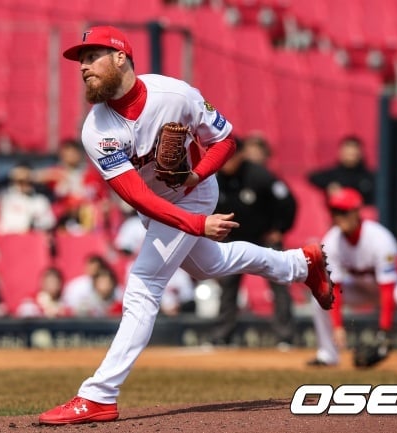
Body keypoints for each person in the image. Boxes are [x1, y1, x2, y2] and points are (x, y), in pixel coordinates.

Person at [38, 25, 333, 425]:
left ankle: (99, 395)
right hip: (157, 205)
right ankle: (301, 264)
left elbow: (226, 141)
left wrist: (196, 177)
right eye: (81, 61)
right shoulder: (96, 129)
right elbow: (137, 197)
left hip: (194, 193)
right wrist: (196, 225)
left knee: (144, 284)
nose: (83, 67)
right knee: (212, 264)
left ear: (121, 57)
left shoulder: (175, 95)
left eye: (92, 57)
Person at [308, 188, 397, 368]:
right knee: (319, 297)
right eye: (334, 212)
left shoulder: (379, 238)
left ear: (357, 212)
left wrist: (384, 331)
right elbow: (334, 287)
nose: (339, 217)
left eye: (343, 212)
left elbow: (387, 289)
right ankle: (328, 354)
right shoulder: (331, 242)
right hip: (363, 286)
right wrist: (338, 326)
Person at [210, 133, 297, 348]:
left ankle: (285, 336)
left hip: (263, 237)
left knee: (279, 282)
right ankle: (222, 335)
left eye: (230, 156)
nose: (226, 162)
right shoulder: (215, 179)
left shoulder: (260, 176)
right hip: (234, 239)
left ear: (241, 155)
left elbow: (288, 201)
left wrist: (280, 228)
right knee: (228, 286)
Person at [0, 160, 56, 235]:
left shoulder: (40, 200)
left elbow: (48, 223)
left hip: (30, 238)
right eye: (19, 181)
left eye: (27, 181)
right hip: (8, 238)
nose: (23, 185)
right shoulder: (6, 197)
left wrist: (33, 223)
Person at [307, 135, 375, 205]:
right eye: (348, 153)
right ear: (340, 152)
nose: (351, 155)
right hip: (337, 210)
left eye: (353, 153)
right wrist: (330, 186)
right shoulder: (332, 175)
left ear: (361, 154)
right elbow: (312, 177)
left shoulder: (369, 177)